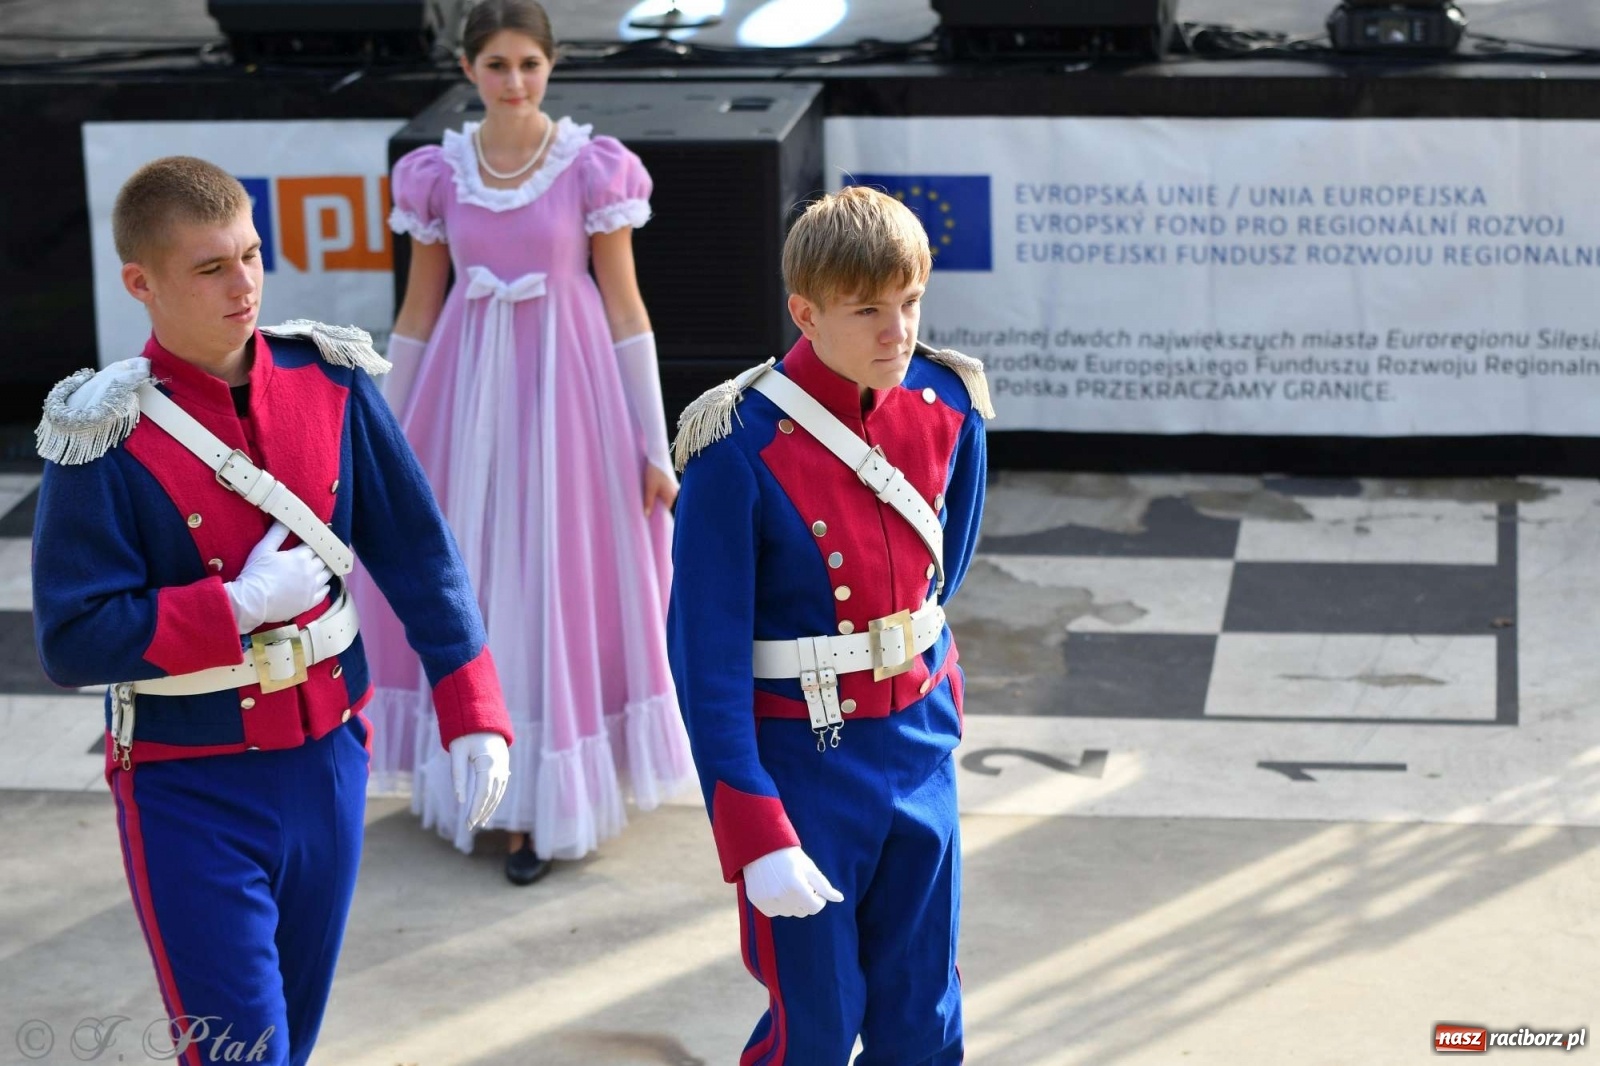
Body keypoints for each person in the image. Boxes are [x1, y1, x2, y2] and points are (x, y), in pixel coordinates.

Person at [31, 155, 513, 1066]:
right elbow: (70, 636)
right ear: (142, 282)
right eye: (210, 267)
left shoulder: (330, 378)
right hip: (188, 779)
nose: (243, 284)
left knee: (291, 1039)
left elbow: (419, 550)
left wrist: (472, 704)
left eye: (251, 256)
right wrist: (238, 605)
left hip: (330, 761)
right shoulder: (103, 430)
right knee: (240, 1052)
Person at [359, 0, 694, 885]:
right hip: (465, 401)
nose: (514, 81)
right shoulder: (437, 175)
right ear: (467, 70)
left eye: (529, 65)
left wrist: (653, 445)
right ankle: (481, 777)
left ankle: (540, 807)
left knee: (554, 583)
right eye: (497, 65)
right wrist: (383, 434)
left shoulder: (593, 169)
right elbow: (420, 308)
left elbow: (625, 309)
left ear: (551, 68)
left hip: (568, 401)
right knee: (467, 577)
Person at [667, 184, 992, 1065]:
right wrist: (751, 826)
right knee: (814, 1024)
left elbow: (942, 572)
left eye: (912, 302)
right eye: (869, 310)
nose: (899, 332)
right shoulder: (736, 445)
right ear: (806, 313)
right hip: (802, 766)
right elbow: (706, 658)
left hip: (918, 741)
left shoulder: (947, 406)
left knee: (923, 1011)